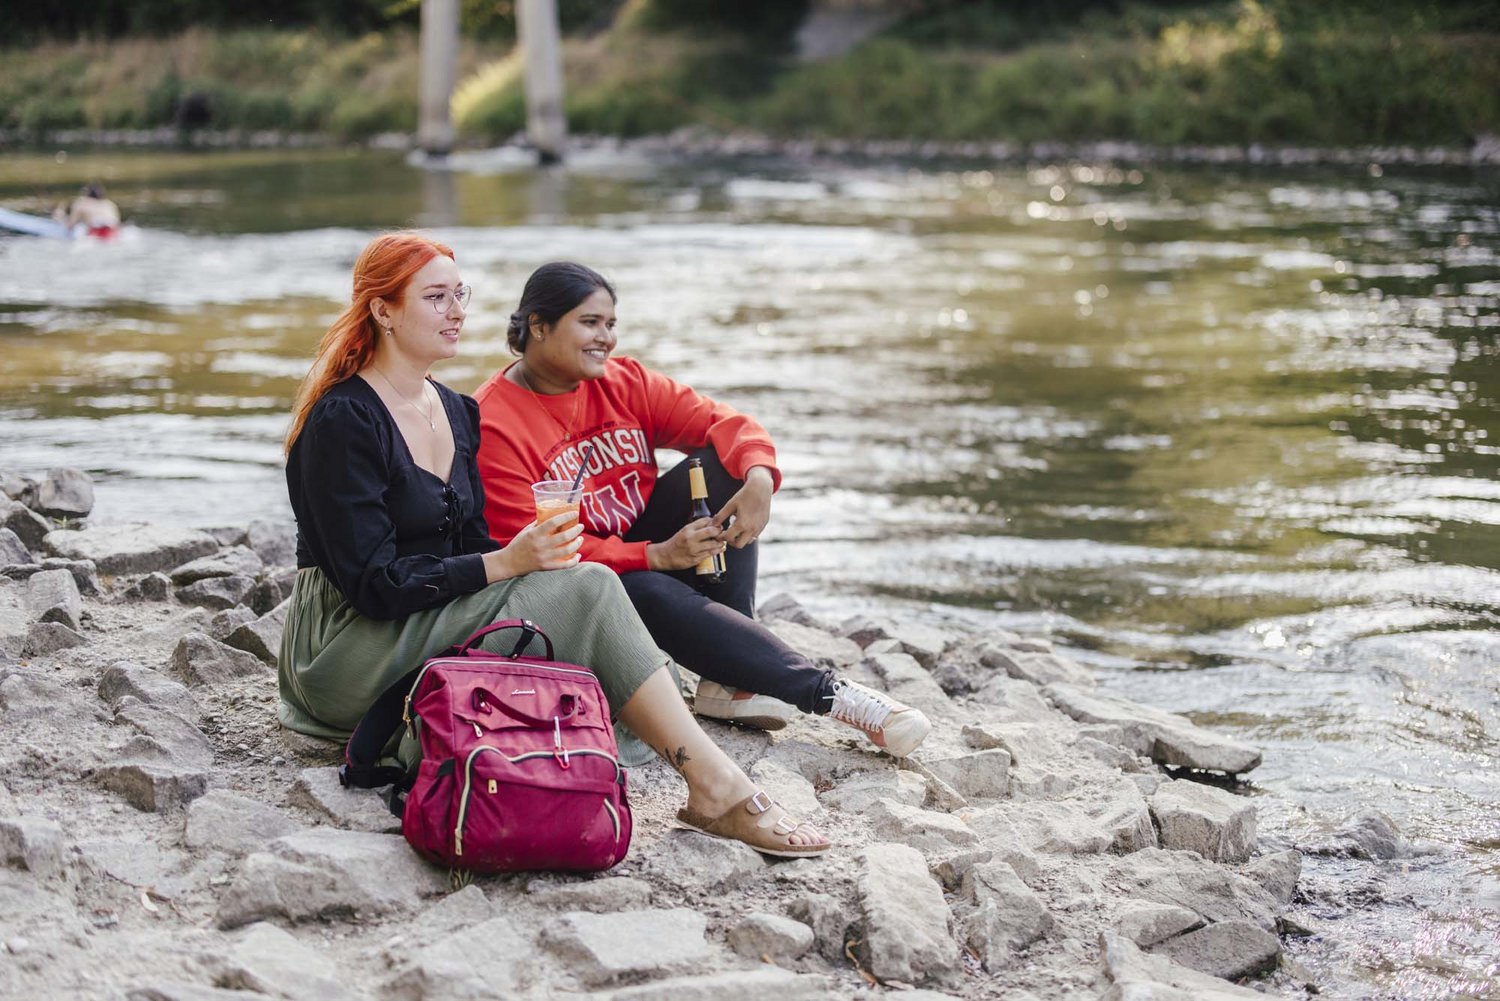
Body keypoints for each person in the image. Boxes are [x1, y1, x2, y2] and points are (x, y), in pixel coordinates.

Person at [279, 232, 828, 858]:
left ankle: (715, 731)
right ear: (382, 310)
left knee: (580, 588)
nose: (458, 311)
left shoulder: (456, 411)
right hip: (347, 647)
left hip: (423, 618)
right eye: (436, 298)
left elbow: (469, 546)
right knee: (591, 586)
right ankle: (717, 786)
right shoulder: (342, 420)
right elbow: (374, 586)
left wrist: (527, 561)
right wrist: (510, 563)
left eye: (460, 295)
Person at [473, 262, 932, 758]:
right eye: (590, 323)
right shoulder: (492, 423)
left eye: (611, 324)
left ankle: (727, 678)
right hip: (572, 587)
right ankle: (829, 694)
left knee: (724, 467)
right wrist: (655, 556)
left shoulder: (624, 381)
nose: (605, 337)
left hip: (638, 549)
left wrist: (759, 477)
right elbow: (535, 549)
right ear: (538, 326)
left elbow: (724, 422)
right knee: (637, 585)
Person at [56, 184, 121, 238]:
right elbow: (117, 223)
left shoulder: (81, 203)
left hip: (96, 232)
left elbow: (70, 226)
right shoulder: (110, 204)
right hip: (112, 231)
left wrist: (60, 215)